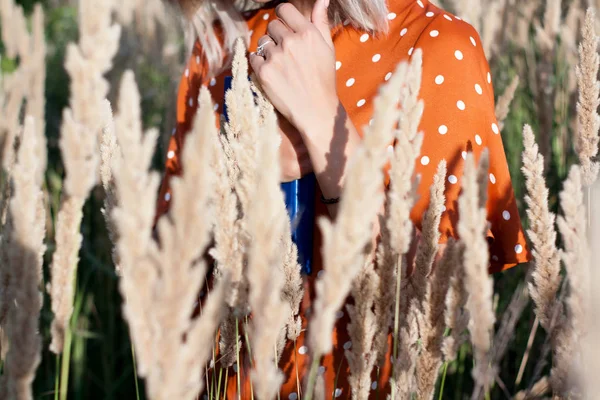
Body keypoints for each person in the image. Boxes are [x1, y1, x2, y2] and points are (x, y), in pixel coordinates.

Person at [155, 0, 531, 397]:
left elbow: (428, 304)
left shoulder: (437, 43)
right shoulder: (221, 42)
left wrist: (323, 124)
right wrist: (246, 176)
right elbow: (168, 271)